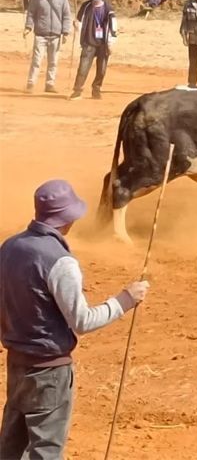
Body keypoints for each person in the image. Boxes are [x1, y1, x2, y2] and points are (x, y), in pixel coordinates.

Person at [0, 180, 149, 458]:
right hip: (49, 372)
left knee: (10, 447)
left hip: (16, 363)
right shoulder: (60, 261)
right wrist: (125, 300)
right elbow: (82, 321)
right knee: (46, 450)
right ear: (68, 219)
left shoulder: (9, 247)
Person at [23, 0, 71, 94]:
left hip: (55, 35)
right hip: (40, 34)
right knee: (36, 60)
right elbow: (31, 13)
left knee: (53, 61)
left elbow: (66, 16)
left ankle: (50, 84)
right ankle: (31, 82)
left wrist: (65, 32)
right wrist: (28, 27)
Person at [69, 0, 117, 101]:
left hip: (103, 44)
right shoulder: (86, 6)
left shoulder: (108, 9)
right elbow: (79, 20)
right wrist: (76, 25)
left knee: (101, 69)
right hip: (88, 42)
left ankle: (96, 89)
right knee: (83, 67)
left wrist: (111, 43)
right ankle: (77, 91)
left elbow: (113, 27)